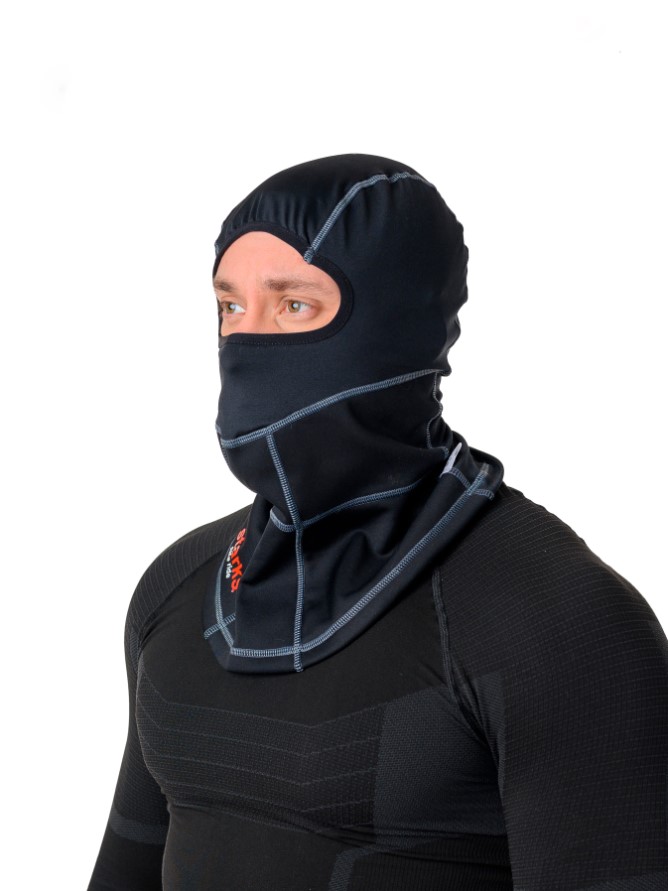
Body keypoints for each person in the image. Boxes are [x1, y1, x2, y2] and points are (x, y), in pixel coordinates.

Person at [88, 154, 668, 890]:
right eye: (231, 307)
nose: (248, 343)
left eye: (294, 306)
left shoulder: (555, 623)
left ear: (396, 326)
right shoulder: (178, 588)